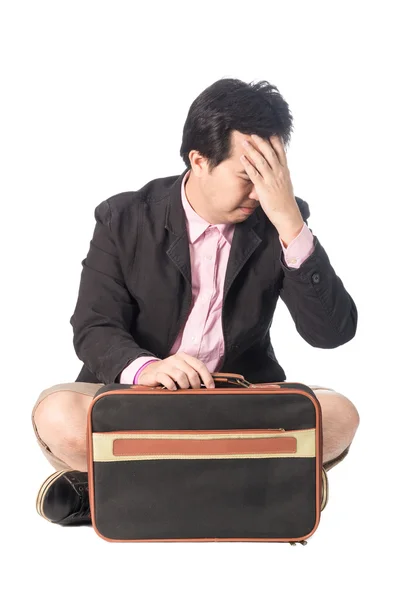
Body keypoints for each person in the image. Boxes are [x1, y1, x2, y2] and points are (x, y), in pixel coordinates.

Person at [32, 78, 360, 526]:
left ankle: (118, 489)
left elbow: (332, 332)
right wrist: (147, 369)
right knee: (57, 415)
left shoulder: (279, 218)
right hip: (137, 405)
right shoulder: (124, 217)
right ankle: (261, 486)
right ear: (199, 160)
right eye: (249, 176)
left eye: (272, 177)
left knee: (340, 415)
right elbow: (94, 326)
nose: (260, 193)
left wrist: (289, 221)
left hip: (235, 407)